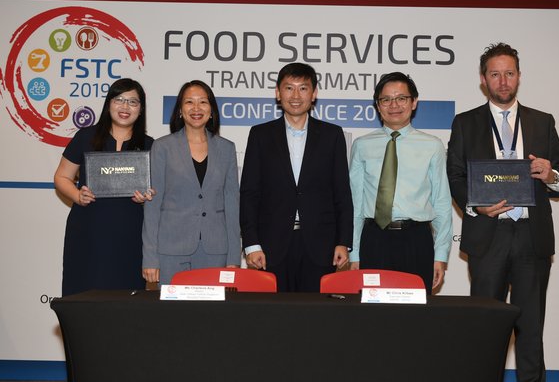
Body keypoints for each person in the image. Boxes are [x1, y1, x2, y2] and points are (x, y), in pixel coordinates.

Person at [447, 43, 559, 382]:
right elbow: (455, 176)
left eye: (509, 74)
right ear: (483, 79)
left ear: (519, 77)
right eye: (495, 74)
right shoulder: (465, 122)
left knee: (531, 330)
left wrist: (551, 175)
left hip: (532, 239)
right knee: (484, 331)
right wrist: (475, 204)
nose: (503, 81)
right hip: (489, 237)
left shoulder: (542, 122)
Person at [240, 62, 353, 292]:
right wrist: (251, 244)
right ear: (277, 93)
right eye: (289, 88)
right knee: (274, 320)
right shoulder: (260, 134)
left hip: (320, 246)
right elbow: (250, 193)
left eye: (303, 88)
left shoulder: (332, 135)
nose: (295, 95)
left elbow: (341, 192)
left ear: (314, 94)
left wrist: (343, 242)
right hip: (271, 245)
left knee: (316, 320)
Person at [348, 72, 452, 294]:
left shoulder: (432, 146)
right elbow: (355, 204)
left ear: (414, 102)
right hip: (373, 239)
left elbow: (442, 203)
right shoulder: (362, 145)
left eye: (401, 98)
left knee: (415, 319)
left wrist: (440, 255)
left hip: (416, 240)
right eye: (386, 99)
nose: (393, 105)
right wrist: (354, 253)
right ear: (378, 105)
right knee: (372, 316)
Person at [54, 78, 154, 296]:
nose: (125, 107)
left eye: (133, 102)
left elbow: (158, 192)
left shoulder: (150, 146)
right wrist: (77, 195)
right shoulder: (86, 137)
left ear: (141, 108)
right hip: (88, 233)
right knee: (83, 302)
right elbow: (62, 176)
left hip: (130, 237)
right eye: (119, 99)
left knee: (125, 306)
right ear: (109, 103)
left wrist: (148, 197)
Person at [142, 80, 240, 286]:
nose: (196, 108)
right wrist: (150, 257)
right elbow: (152, 207)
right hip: (171, 251)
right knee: (172, 316)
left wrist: (233, 258)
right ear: (180, 110)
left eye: (203, 102)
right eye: (189, 102)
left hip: (215, 251)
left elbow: (232, 205)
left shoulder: (227, 149)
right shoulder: (162, 147)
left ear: (211, 110)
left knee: (210, 316)